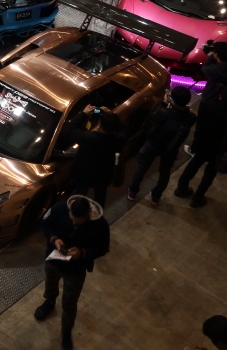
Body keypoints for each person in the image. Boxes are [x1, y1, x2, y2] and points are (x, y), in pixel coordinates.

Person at [35, 196, 110, 350]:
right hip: (54, 260)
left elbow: (103, 248)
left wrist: (82, 253)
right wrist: (54, 239)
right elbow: (45, 223)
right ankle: (49, 302)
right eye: (72, 219)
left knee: (70, 302)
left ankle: (66, 330)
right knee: (50, 283)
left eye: (77, 222)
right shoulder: (59, 208)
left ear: (88, 214)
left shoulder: (100, 225)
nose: (74, 223)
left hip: (76, 269)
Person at [175, 85, 227, 207]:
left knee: (194, 164)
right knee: (210, 173)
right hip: (219, 148)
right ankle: (197, 198)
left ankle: (181, 188)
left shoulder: (206, 105)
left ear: (220, 96)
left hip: (202, 142)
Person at [127, 87, 196, 204]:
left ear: (173, 99)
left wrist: (164, 103)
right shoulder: (192, 117)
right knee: (165, 173)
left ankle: (133, 192)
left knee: (142, 167)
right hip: (171, 148)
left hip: (154, 144)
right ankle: (156, 196)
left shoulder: (164, 113)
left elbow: (154, 116)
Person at [61, 108, 123, 206]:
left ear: (100, 123)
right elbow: (125, 130)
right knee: (100, 197)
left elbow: (71, 128)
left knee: (79, 195)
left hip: (83, 174)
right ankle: (98, 212)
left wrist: (84, 113)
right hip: (103, 176)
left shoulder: (87, 138)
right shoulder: (118, 141)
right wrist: (112, 116)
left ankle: (76, 211)